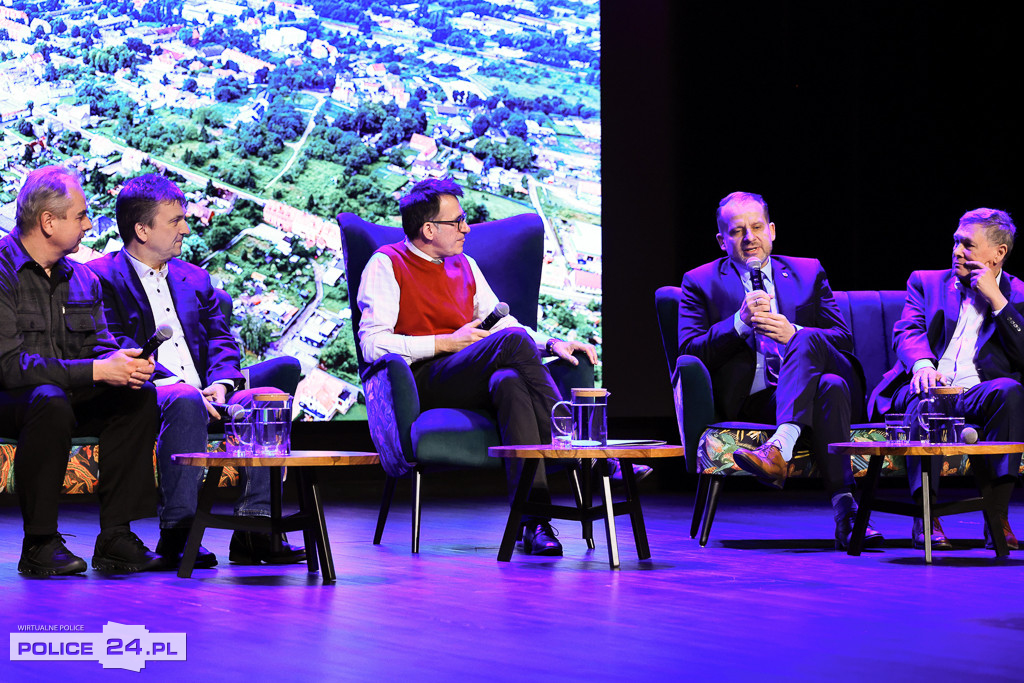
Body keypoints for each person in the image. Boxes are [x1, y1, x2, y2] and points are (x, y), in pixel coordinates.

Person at [357, 178, 597, 556]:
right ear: (429, 229)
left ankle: (533, 521)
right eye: (458, 221)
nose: (466, 228)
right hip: (422, 381)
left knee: (510, 382)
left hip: (469, 374)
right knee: (511, 345)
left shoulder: (465, 264)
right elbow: (371, 344)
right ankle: (586, 450)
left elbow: (502, 325)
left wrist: (552, 343)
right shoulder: (386, 264)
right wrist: (443, 343)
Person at [87, 174, 304, 569]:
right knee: (185, 398)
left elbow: (221, 340)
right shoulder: (100, 278)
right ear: (142, 230)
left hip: (208, 392)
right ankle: (178, 532)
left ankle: (255, 530)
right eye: (175, 221)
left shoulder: (196, 278)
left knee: (267, 401)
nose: (185, 229)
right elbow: (114, 344)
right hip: (146, 392)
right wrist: (178, 384)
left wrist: (221, 384)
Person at [678, 191, 883, 548]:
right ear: (722, 241)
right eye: (737, 231)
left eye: (757, 227)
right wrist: (739, 323)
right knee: (830, 387)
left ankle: (778, 449)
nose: (749, 238)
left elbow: (843, 339)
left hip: (833, 370)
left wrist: (795, 333)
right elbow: (689, 352)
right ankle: (847, 512)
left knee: (809, 341)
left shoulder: (807, 272)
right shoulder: (700, 282)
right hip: (761, 399)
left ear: (771, 231)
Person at [0, 166, 162, 576]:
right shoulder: (3, 273)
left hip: (64, 395)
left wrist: (122, 362)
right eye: (81, 216)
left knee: (137, 395)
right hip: (11, 399)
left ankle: (116, 537)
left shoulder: (83, 277)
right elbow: (11, 368)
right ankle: (39, 543)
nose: (89, 225)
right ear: (48, 222)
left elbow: (99, 347)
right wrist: (96, 370)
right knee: (48, 399)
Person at [869, 208, 1023, 551]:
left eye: (967, 245)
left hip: (978, 393)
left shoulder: (1018, 294)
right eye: (955, 242)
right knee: (930, 397)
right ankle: (926, 517)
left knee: (1010, 391)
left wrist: (998, 301)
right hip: (925, 387)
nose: (957, 251)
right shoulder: (926, 282)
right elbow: (907, 330)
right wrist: (923, 365)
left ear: (998, 253)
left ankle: (997, 516)